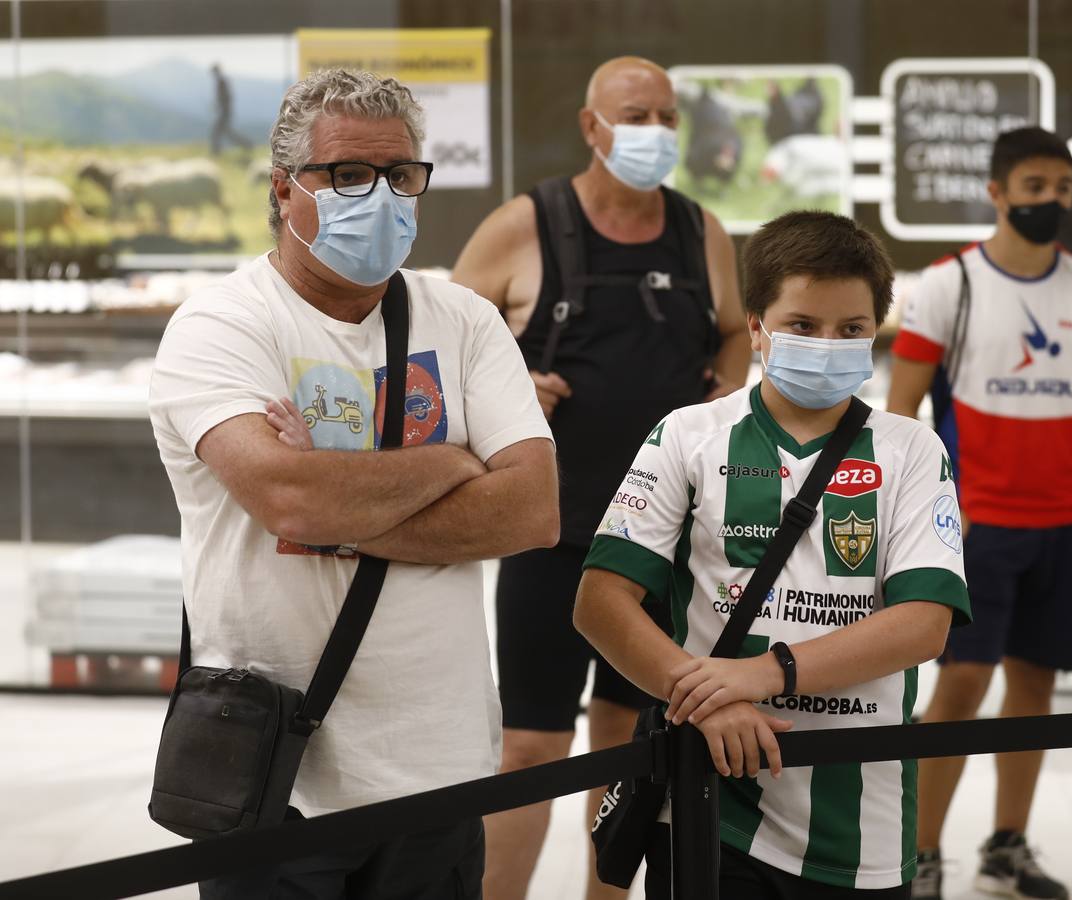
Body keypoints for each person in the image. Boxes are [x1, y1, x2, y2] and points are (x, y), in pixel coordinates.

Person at [148, 68, 559, 899]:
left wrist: (335, 504)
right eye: (346, 175)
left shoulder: (464, 320)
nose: (379, 196)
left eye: (400, 175)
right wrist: (451, 462)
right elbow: (289, 497)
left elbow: (533, 509)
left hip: (441, 767)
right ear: (283, 188)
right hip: (277, 776)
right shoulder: (221, 325)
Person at [575, 210, 973, 899]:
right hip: (708, 802)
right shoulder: (687, 435)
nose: (828, 344)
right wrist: (700, 698)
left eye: (851, 329)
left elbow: (924, 622)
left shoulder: (912, 450)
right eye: (802, 325)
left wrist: (764, 675)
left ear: (877, 329)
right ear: (756, 327)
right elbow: (600, 601)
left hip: (862, 825)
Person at [450, 55, 748, 900]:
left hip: (665, 540)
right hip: (550, 532)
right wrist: (507, 382)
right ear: (591, 126)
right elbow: (441, 342)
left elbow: (732, 329)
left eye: (666, 117)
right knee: (530, 746)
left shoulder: (700, 231)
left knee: (627, 742)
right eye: (634, 115)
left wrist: (726, 386)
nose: (653, 133)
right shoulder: (526, 223)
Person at [886, 126, 1072, 900]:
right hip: (977, 524)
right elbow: (901, 413)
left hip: (1069, 522)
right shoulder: (948, 284)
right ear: (997, 193)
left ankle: (1007, 847)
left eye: (1062, 187)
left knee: (1037, 686)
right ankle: (917, 856)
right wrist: (914, 521)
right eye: (1034, 187)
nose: (1049, 200)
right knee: (960, 687)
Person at [209, 62, 251, 156]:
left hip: (225, 112)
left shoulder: (221, 82)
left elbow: (225, 97)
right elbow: (226, 97)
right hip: (225, 111)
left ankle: (216, 153)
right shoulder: (222, 81)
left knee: (217, 132)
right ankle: (246, 144)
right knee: (226, 133)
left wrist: (220, 106)